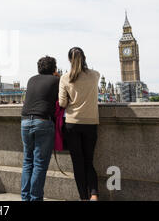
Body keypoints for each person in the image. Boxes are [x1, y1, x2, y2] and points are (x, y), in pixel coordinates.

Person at [59, 47, 100, 201]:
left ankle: (83, 197)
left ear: (70, 60)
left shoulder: (65, 78)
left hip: (72, 124)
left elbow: (62, 103)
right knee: (89, 161)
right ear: (84, 58)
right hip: (91, 123)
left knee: (78, 163)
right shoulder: (95, 75)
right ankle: (94, 194)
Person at [20, 56, 59, 201]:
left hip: (25, 122)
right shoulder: (56, 80)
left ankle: (25, 198)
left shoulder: (31, 79)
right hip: (42, 122)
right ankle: (35, 198)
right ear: (54, 69)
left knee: (27, 162)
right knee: (39, 165)